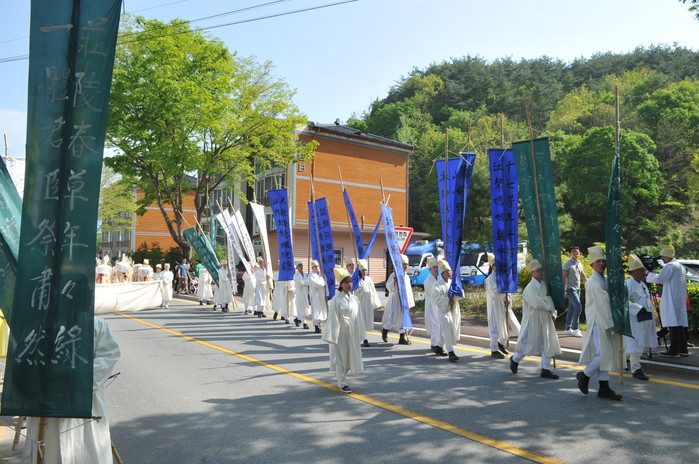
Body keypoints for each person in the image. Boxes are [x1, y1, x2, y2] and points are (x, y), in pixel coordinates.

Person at [28, 318, 120, 464]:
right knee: (49, 453)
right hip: (45, 407)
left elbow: (109, 355)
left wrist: (72, 384)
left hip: (85, 405)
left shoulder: (95, 324)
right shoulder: (38, 326)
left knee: (86, 453)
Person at [576, 245, 623, 401]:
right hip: (599, 321)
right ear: (591, 265)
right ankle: (585, 374)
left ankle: (603, 387)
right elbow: (605, 303)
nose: (601, 263)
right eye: (598, 261)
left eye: (603, 261)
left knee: (604, 353)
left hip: (606, 320)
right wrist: (616, 320)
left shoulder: (606, 279)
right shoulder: (593, 283)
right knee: (603, 353)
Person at [509, 258, 562, 378]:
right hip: (533, 319)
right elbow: (537, 303)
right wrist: (550, 304)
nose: (540, 272)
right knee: (529, 344)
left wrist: (553, 313)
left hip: (545, 318)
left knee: (547, 343)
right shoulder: (529, 288)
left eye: (541, 270)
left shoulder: (544, 285)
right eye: (537, 270)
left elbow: (549, 300)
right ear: (532, 272)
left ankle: (545, 369)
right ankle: (515, 359)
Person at [321, 268, 365, 394]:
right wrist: (333, 334)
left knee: (350, 356)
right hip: (341, 331)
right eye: (346, 282)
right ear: (341, 284)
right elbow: (333, 318)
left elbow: (358, 317)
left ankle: (343, 376)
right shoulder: (336, 299)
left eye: (350, 282)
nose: (349, 284)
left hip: (352, 331)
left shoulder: (354, 299)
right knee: (340, 357)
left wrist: (360, 332)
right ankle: (342, 382)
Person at [646, 245, 689, 358]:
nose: (662, 258)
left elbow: (659, 279)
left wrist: (647, 273)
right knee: (679, 324)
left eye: (663, 256)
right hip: (678, 299)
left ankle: (674, 350)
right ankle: (683, 349)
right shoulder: (680, 266)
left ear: (667, 256)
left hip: (671, 299)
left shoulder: (670, 266)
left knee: (673, 323)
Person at [625, 254, 659, 380]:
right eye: (641, 271)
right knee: (636, 344)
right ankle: (636, 369)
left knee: (636, 343)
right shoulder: (628, 284)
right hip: (634, 319)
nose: (644, 273)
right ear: (633, 272)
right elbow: (623, 302)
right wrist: (638, 308)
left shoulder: (642, 285)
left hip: (644, 319)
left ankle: (623, 363)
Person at [485, 254, 520, 359]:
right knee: (495, 328)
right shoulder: (490, 279)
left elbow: (508, 291)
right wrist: (504, 297)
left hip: (505, 305)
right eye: (496, 265)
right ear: (492, 267)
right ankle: (494, 349)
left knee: (508, 325)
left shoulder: (504, 277)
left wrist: (508, 300)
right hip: (495, 306)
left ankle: (501, 343)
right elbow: (495, 293)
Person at [381, 254, 415, 345]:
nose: (405, 266)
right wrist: (394, 281)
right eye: (403, 264)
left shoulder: (407, 277)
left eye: (406, 264)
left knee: (403, 318)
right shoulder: (394, 274)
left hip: (405, 301)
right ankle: (385, 330)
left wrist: (410, 303)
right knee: (393, 317)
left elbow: (409, 291)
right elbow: (388, 286)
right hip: (396, 299)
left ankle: (402, 338)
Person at [432, 259, 462, 362]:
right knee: (447, 330)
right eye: (446, 271)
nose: (449, 273)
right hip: (443, 310)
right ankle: (451, 352)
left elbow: (460, 293)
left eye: (449, 271)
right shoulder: (437, 284)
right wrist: (448, 301)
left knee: (445, 329)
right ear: (442, 273)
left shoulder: (452, 283)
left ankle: (438, 346)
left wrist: (456, 297)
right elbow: (436, 299)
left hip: (453, 309)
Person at [355, 259, 382, 347]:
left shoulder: (369, 279)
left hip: (368, 303)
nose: (364, 272)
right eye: (363, 270)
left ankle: (363, 337)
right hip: (359, 303)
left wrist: (375, 303)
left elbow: (373, 291)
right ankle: (364, 339)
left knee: (366, 321)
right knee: (360, 321)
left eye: (365, 270)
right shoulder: (356, 280)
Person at [563, 246, 587, 337]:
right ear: (570, 253)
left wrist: (590, 285)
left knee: (572, 308)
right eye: (573, 251)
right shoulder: (567, 264)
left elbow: (583, 276)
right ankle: (575, 328)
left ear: (579, 253)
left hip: (577, 289)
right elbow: (563, 277)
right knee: (578, 307)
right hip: (570, 289)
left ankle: (567, 328)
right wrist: (564, 290)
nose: (575, 253)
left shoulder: (579, 264)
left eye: (576, 251)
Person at [423, 256, 445, 355]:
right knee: (435, 325)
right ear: (430, 269)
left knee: (440, 324)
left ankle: (438, 344)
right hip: (432, 305)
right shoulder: (427, 282)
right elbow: (433, 295)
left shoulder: (440, 279)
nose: (436, 269)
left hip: (440, 305)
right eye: (434, 267)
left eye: (436, 267)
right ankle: (434, 344)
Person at [308, 259, 328, 333]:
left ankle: (319, 324)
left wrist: (327, 294)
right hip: (315, 295)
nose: (317, 268)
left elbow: (325, 285)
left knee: (321, 310)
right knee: (316, 310)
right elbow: (317, 284)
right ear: (312, 268)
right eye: (315, 266)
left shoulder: (321, 274)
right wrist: (321, 278)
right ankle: (316, 325)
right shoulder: (311, 275)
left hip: (321, 295)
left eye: (317, 266)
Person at [293, 261, 310, 329]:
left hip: (305, 293)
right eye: (299, 266)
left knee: (306, 308)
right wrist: (306, 281)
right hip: (299, 293)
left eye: (301, 265)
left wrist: (306, 282)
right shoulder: (296, 276)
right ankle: (304, 323)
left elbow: (309, 282)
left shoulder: (306, 274)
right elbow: (301, 283)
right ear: (297, 268)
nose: (301, 267)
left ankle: (297, 319)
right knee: (301, 308)